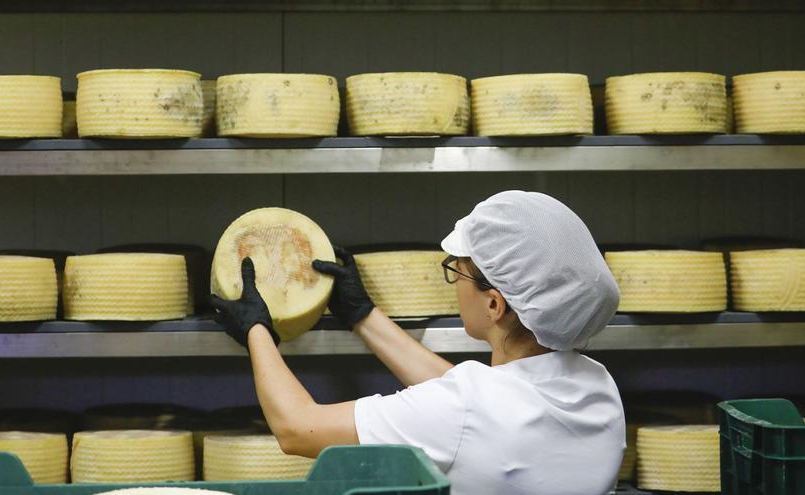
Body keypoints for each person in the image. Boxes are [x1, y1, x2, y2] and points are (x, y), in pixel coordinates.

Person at [210, 190, 626, 495]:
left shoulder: (464, 409)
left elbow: (297, 429)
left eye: (457, 272)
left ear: (495, 304)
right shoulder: (599, 387)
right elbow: (475, 406)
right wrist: (363, 315)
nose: (454, 284)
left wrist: (256, 328)